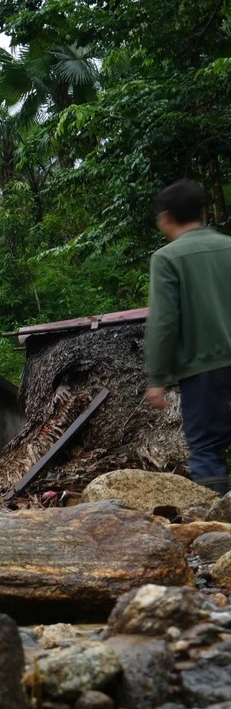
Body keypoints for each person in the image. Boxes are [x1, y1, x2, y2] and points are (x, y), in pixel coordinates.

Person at [143, 180, 231, 493]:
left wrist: (158, 378)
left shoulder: (167, 258)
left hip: (204, 369)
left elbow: (165, 322)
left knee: (206, 450)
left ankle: (217, 533)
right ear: (203, 212)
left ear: (165, 218)